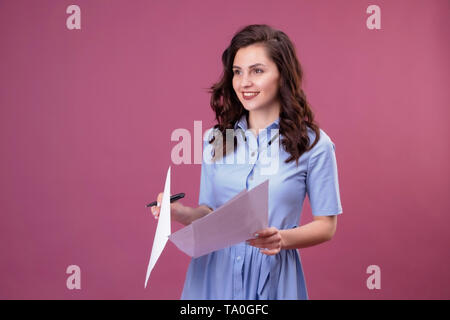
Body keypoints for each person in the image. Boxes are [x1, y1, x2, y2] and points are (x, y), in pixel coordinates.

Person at [151, 24, 343, 300]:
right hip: (212, 275)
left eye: (257, 71)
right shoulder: (215, 140)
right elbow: (209, 212)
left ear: (282, 76)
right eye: (237, 72)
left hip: (272, 274)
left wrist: (281, 238)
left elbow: (327, 225)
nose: (244, 82)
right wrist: (179, 213)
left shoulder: (314, 144)